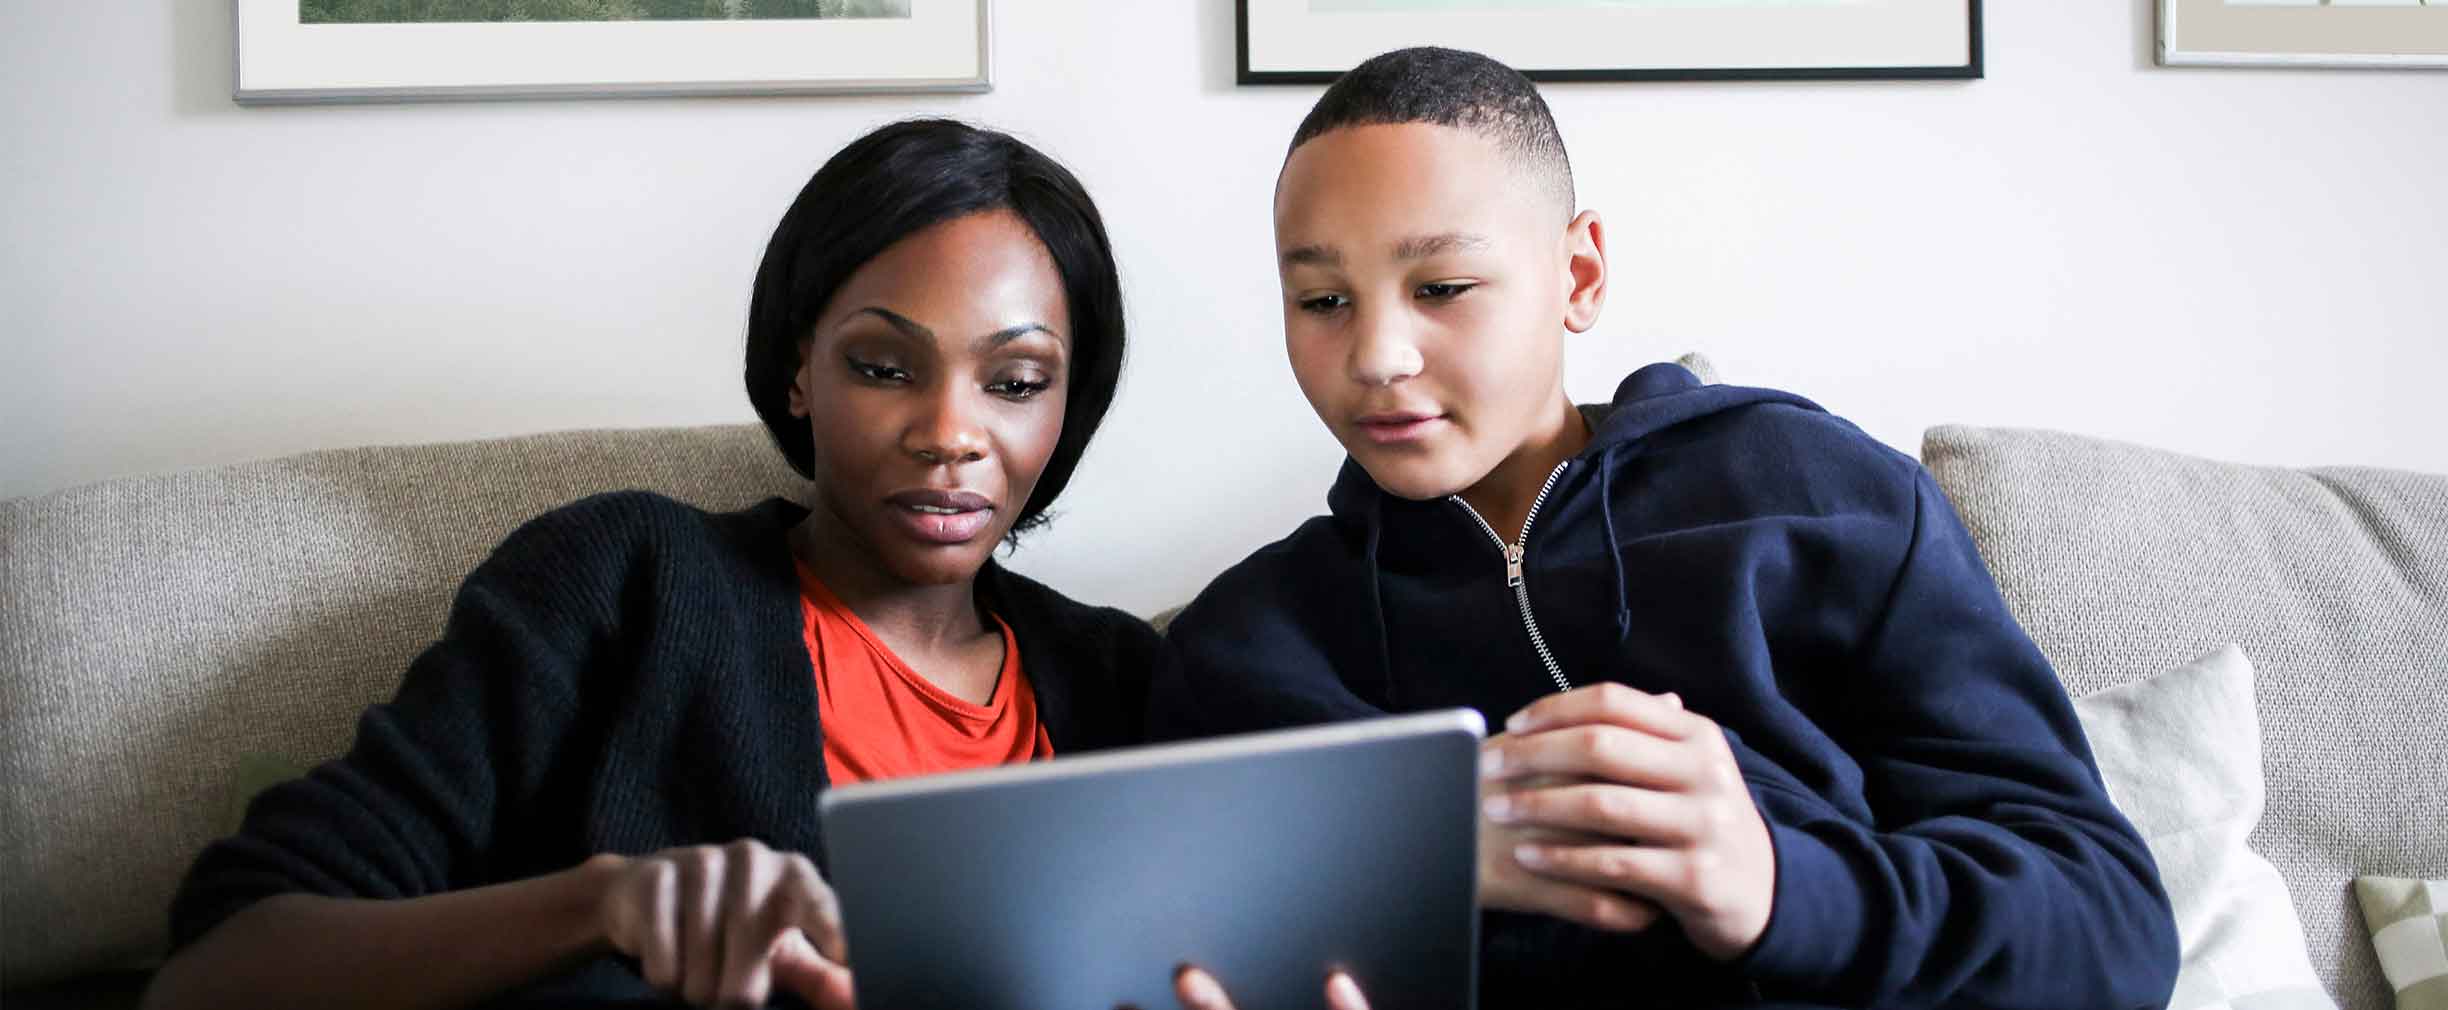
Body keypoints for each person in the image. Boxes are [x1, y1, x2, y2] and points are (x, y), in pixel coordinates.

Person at [145, 117, 1255, 1010]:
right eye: (883, 365)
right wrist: (610, 901)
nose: (949, 431)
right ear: (796, 373)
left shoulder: (1122, 676)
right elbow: (226, 961)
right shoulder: (630, 579)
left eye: (1014, 381)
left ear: (1070, 405)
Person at [1155, 47, 2182, 1009]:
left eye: (1443, 288)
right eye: (1322, 297)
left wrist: (1777, 883)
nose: (1377, 353)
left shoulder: (1817, 495)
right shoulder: (1247, 645)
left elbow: (2111, 926)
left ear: (1580, 275)